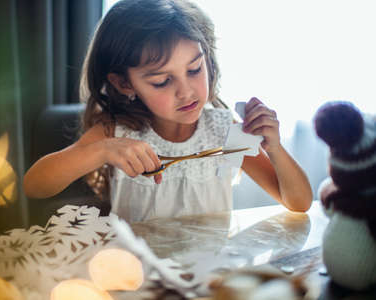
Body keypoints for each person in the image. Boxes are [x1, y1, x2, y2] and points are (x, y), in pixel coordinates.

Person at [23, 0, 312, 222]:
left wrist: (274, 148)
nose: (186, 91)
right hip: (139, 274)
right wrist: (101, 151)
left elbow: (298, 203)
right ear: (124, 83)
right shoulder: (117, 132)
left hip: (208, 276)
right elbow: (34, 185)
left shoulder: (225, 131)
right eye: (162, 81)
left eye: (195, 69)